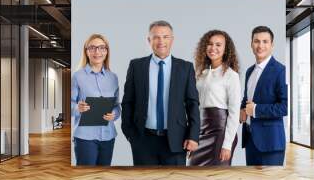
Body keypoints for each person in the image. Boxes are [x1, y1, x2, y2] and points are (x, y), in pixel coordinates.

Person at [121, 20, 200, 166]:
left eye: (165, 36)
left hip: (177, 140)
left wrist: (193, 136)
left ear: (172, 39)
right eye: (156, 37)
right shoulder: (136, 66)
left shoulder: (185, 67)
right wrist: (130, 133)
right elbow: (127, 102)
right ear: (149, 40)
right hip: (143, 140)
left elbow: (193, 104)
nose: (161, 41)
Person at [188, 30, 241, 166]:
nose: (213, 48)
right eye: (210, 44)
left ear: (225, 49)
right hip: (201, 130)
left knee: (217, 177)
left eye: (218, 45)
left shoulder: (231, 76)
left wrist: (227, 144)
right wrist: (191, 135)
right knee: (194, 173)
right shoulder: (201, 74)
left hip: (220, 132)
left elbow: (234, 112)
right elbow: (194, 105)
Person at [240, 26, 287, 166]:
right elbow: (247, 99)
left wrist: (255, 110)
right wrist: (243, 109)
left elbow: (285, 107)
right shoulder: (249, 71)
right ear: (251, 44)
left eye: (265, 41)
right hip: (250, 140)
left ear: (272, 45)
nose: (260, 45)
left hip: (271, 143)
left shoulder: (281, 71)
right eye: (257, 41)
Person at [71, 34, 120, 166]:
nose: (97, 52)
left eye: (101, 48)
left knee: (103, 177)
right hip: (85, 137)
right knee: (86, 178)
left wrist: (114, 114)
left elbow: (116, 106)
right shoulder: (77, 76)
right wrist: (77, 108)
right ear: (86, 51)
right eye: (92, 48)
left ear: (106, 51)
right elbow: (69, 104)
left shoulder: (113, 77)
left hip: (108, 136)